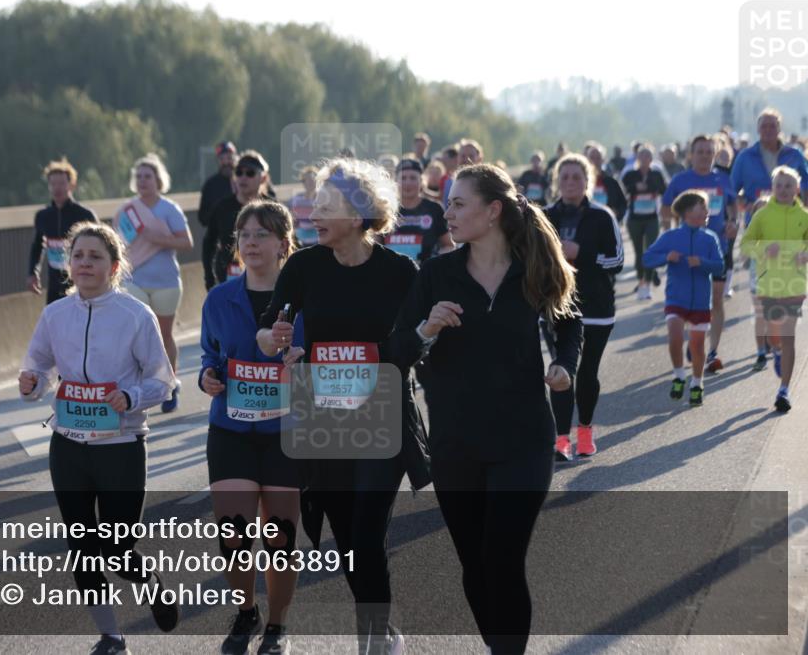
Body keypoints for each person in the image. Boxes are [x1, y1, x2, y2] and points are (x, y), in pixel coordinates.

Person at [391, 163, 581, 655]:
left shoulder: (532, 268)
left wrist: (563, 364)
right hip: (456, 444)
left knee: (502, 558)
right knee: (474, 565)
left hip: (524, 440)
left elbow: (569, 322)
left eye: (458, 203)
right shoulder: (436, 275)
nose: (446, 211)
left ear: (492, 211)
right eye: (448, 203)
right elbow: (395, 353)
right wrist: (425, 330)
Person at [256, 158, 432, 654]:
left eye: (326, 206)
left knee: (368, 533)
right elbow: (269, 329)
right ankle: (387, 631)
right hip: (324, 420)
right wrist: (273, 337)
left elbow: (417, 345)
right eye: (314, 203)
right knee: (350, 544)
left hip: (382, 416)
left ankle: (372, 643)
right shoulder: (304, 266)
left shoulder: (400, 272)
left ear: (359, 215)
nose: (314, 213)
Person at [19, 222, 180, 654]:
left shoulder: (135, 315)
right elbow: (39, 367)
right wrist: (32, 383)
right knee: (82, 548)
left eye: (96, 257)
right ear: (69, 265)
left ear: (113, 267)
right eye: (79, 256)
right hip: (69, 446)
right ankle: (111, 636)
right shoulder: (55, 314)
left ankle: (148, 581)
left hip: (121, 448)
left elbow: (163, 382)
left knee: (116, 547)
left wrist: (130, 396)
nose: (86, 263)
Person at [199, 201, 304, 655]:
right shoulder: (219, 298)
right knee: (235, 531)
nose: (251, 242)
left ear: (284, 244)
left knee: (279, 535)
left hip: (287, 432)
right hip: (231, 428)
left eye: (261, 234)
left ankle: (277, 626)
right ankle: (246, 611)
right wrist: (208, 376)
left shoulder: (305, 299)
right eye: (244, 235)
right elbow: (209, 355)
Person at [545, 153, 624, 461]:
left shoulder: (603, 216)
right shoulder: (546, 217)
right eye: (564, 177)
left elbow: (617, 261)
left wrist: (583, 253)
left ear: (588, 181)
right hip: (557, 306)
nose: (570, 183)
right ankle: (561, 438)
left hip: (597, 307)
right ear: (556, 182)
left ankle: (586, 431)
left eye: (577, 177)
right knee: (560, 371)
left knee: (587, 372)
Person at [113, 154, 193, 413]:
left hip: (166, 281)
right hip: (134, 279)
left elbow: (186, 242)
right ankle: (138, 390)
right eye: (138, 176)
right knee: (135, 336)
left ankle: (170, 384)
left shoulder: (169, 209)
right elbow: (117, 246)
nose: (143, 181)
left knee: (163, 335)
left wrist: (157, 238)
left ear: (158, 180)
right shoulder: (126, 211)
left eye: (148, 176)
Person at [731, 109, 808, 370]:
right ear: (757, 129)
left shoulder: (794, 156)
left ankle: (776, 345)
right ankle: (763, 347)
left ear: (780, 128)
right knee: (761, 296)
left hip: (792, 237)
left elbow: (806, 189)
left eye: (772, 125)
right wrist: (741, 206)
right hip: (761, 233)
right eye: (764, 126)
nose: (768, 130)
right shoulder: (745, 157)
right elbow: (733, 191)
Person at [663, 135, 739, 373]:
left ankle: (712, 350)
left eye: (709, 151)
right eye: (700, 151)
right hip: (687, 253)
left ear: (715, 154)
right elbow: (665, 210)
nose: (705, 155)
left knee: (716, 299)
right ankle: (696, 340)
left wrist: (732, 223)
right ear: (691, 155)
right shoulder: (680, 180)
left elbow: (732, 207)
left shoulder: (723, 179)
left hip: (717, 248)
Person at [643, 191, 725, 406]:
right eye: (702, 207)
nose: (707, 212)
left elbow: (719, 266)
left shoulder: (709, 238)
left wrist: (702, 262)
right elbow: (647, 259)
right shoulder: (670, 237)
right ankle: (679, 375)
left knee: (697, 347)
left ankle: (697, 383)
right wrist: (665, 257)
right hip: (676, 298)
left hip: (700, 301)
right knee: (675, 337)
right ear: (688, 212)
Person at [740, 166, 808, 412]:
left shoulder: (804, 215)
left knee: (789, 336)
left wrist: (805, 255)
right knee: (773, 336)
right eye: (779, 185)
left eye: (789, 185)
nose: (783, 190)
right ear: (773, 188)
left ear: (797, 189)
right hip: (768, 283)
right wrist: (763, 251)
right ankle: (775, 351)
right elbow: (745, 245)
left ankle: (784, 390)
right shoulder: (763, 215)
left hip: (794, 284)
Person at [28, 157, 98, 304]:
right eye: (53, 184)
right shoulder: (42, 216)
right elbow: (37, 246)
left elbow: (99, 247)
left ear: (71, 185)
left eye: (61, 183)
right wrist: (33, 272)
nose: (57, 188)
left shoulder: (85, 215)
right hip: (54, 285)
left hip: (82, 283)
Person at [204, 150, 272, 290]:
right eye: (239, 172)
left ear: (263, 178)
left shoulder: (273, 209)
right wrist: (209, 277)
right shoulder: (222, 207)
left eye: (250, 173)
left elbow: (289, 242)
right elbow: (209, 243)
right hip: (228, 279)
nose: (243, 177)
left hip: (265, 280)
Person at [622, 144, 668, 300]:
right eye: (641, 156)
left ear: (651, 158)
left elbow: (663, 190)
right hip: (635, 218)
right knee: (638, 252)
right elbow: (624, 190)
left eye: (648, 156)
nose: (644, 159)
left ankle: (647, 283)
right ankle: (641, 279)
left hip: (651, 218)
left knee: (650, 249)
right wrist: (636, 187)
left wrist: (648, 186)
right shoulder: (630, 175)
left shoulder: (656, 174)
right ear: (637, 158)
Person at [386, 158, 453, 263]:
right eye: (403, 178)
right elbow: (374, 245)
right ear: (395, 181)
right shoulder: (385, 209)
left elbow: (448, 245)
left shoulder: (434, 209)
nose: (408, 183)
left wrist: (435, 264)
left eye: (413, 178)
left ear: (422, 181)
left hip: (425, 276)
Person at [199, 141, 239, 227]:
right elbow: (202, 217)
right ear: (217, 161)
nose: (226, 163)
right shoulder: (210, 185)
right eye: (222, 159)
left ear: (236, 158)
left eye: (229, 158)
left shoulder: (246, 179)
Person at [585, 144, 628, 222]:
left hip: (606, 224)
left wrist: (616, 216)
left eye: (598, 158)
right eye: (592, 157)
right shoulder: (580, 182)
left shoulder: (612, 182)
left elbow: (622, 204)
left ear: (603, 160)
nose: (594, 161)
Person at [441, 140, 484, 209]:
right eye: (463, 156)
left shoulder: (485, 184)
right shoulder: (449, 182)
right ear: (457, 158)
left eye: (471, 156)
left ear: (479, 158)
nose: (467, 159)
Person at [288, 166, 319, 248]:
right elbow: (293, 220)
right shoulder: (296, 200)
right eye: (306, 180)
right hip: (300, 239)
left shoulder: (323, 200)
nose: (310, 183)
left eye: (312, 179)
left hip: (318, 239)